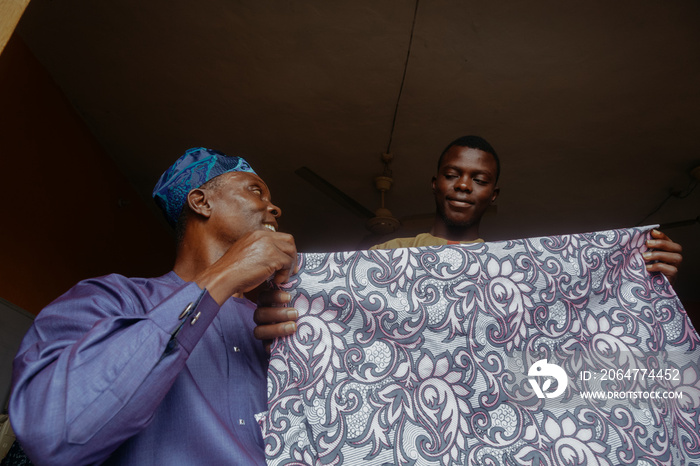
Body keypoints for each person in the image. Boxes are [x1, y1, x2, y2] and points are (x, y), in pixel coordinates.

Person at [9, 148, 299, 465]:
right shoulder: (106, 299)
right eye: (256, 190)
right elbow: (55, 435)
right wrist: (222, 277)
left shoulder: (276, 325)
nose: (274, 207)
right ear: (202, 202)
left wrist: (295, 360)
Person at [371, 135, 683, 282]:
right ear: (435, 183)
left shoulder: (514, 269)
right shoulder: (388, 253)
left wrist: (641, 275)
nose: (463, 186)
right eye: (452, 175)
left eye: (478, 180)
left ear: (493, 195)